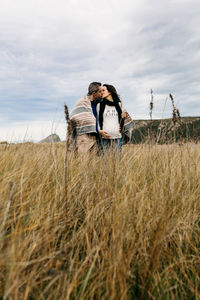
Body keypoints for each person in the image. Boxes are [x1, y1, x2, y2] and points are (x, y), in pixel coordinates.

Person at [96, 84, 134, 152]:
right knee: (104, 160)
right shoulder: (99, 105)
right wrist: (100, 131)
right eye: (101, 91)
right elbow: (97, 120)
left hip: (117, 137)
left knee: (117, 160)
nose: (101, 92)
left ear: (110, 92)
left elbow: (124, 119)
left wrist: (122, 125)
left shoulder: (119, 104)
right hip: (104, 138)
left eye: (103, 90)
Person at [68, 82, 102, 154]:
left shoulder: (98, 104)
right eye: (100, 91)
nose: (101, 93)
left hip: (96, 138)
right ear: (94, 93)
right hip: (84, 138)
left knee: (94, 163)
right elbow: (74, 117)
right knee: (84, 162)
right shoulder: (82, 102)